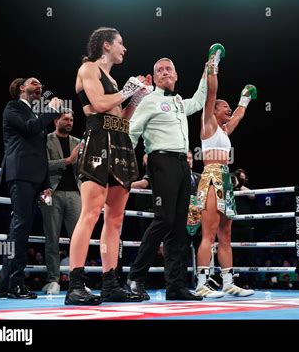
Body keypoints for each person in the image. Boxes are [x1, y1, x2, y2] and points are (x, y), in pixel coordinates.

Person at [65, 27, 152, 305]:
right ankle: (75, 285)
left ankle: (110, 282)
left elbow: (121, 121)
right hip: (98, 141)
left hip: (120, 143)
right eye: (120, 44)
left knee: (115, 219)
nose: (124, 49)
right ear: (106, 46)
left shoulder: (113, 79)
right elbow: (100, 104)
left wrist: (136, 98)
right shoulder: (88, 69)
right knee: (90, 212)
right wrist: (128, 90)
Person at [127, 56, 207, 301]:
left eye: (168, 69)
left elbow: (200, 100)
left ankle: (176, 286)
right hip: (161, 161)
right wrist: (125, 166)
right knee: (163, 220)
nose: (164, 72)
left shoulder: (180, 103)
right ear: (155, 76)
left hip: (183, 164)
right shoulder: (149, 100)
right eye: (159, 69)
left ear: (175, 75)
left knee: (180, 227)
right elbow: (132, 132)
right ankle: (135, 278)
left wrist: (207, 70)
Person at [194, 43, 257, 298]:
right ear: (215, 110)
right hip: (210, 177)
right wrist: (213, 63)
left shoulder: (224, 130)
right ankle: (201, 284)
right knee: (208, 233)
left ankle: (229, 281)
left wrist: (245, 98)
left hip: (226, 179)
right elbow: (211, 93)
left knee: (225, 233)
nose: (228, 109)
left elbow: (239, 116)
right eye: (225, 106)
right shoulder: (208, 123)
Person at [0, 77, 62, 299]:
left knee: (19, 228)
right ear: (21, 88)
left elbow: (40, 152)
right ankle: (16, 284)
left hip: (35, 178)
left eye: (41, 85)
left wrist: (46, 185)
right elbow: (29, 128)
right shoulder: (13, 107)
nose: (40, 86)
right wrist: (52, 111)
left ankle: (4, 284)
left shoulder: (35, 114)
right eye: (34, 83)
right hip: (20, 174)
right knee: (20, 227)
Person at [40, 110, 81, 295]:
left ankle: (77, 281)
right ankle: (53, 280)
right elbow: (41, 164)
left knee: (79, 239)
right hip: (49, 192)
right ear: (56, 120)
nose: (69, 122)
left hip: (75, 194)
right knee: (51, 238)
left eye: (71, 119)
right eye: (65, 119)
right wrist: (67, 161)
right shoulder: (45, 139)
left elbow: (85, 168)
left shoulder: (78, 142)